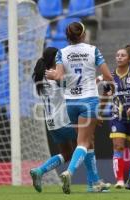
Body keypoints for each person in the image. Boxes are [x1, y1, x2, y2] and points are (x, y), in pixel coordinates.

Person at [45, 21, 114, 194]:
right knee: (84, 142)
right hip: (88, 100)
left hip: (71, 102)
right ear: (83, 34)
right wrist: (108, 86)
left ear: (68, 36)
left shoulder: (62, 53)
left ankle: (94, 183)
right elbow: (107, 75)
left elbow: (59, 77)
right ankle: (70, 172)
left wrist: (54, 75)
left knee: (86, 142)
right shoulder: (93, 50)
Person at [30, 47, 77, 193]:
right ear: (54, 58)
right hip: (63, 119)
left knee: (67, 153)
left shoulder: (41, 77)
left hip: (51, 123)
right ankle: (85, 179)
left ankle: (40, 171)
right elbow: (74, 87)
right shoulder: (54, 76)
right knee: (86, 142)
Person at [105, 45, 130, 188]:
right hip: (116, 116)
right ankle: (119, 180)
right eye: (117, 55)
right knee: (118, 146)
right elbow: (107, 95)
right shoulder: (111, 76)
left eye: (122, 55)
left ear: (129, 59)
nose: (119, 57)